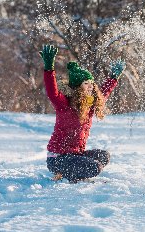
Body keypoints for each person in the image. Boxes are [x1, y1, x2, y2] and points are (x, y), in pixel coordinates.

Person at [39, 44, 125, 183]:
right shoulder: (64, 104)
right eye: (86, 83)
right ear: (78, 86)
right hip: (58, 158)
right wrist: (49, 68)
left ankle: (72, 172)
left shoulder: (89, 104)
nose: (91, 85)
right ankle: (66, 175)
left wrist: (113, 77)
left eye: (91, 82)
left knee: (103, 156)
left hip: (75, 155)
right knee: (95, 167)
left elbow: (103, 93)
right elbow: (52, 92)